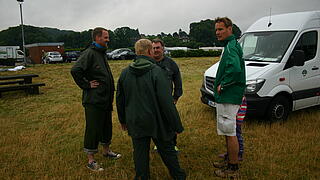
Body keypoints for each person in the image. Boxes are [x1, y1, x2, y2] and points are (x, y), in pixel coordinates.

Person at [116, 39, 186, 180]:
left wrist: (123, 120)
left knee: (140, 152)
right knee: (167, 150)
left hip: (135, 121)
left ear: (136, 52)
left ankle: (142, 176)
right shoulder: (157, 72)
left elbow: (120, 100)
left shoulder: (124, 73)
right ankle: (178, 176)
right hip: (157, 121)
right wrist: (176, 125)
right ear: (149, 51)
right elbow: (167, 103)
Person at [70, 27, 121, 172]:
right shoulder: (89, 53)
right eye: (105, 37)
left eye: (108, 37)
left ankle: (106, 151)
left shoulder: (101, 53)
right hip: (94, 100)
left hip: (105, 99)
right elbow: (75, 70)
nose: (108, 40)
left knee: (106, 126)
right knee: (93, 129)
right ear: (97, 38)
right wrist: (86, 85)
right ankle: (91, 160)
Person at [212, 17, 246, 178]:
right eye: (216, 30)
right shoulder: (230, 45)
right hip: (228, 96)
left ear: (230, 29)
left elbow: (235, 70)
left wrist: (223, 85)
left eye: (220, 29)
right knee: (227, 130)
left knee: (230, 131)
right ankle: (229, 160)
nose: (217, 32)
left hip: (229, 96)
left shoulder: (231, 47)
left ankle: (233, 168)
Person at [152, 38, 183, 152]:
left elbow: (178, 81)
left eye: (158, 48)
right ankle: (158, 143)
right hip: (153, 100)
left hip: (168, 99)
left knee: (170, 121)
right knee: (155, 122)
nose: (156, 50)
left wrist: (176, 96)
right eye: (153, 48)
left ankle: (172, 143)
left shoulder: (171, 63)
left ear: (163, 48)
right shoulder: (149, 63)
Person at [218, 96, 247, 161]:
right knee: (230, 135)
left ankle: (239, 154)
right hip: (233, 119)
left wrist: (238, 120)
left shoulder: (240, 97)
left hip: (236, 120)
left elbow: (241, 111)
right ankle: (230, 153)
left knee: (237, 136)